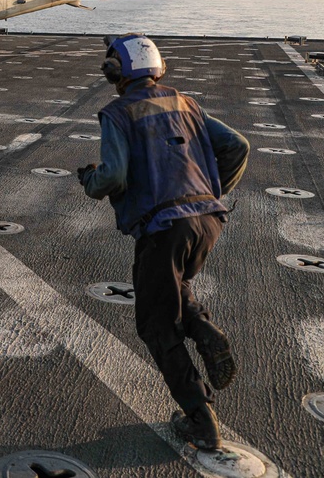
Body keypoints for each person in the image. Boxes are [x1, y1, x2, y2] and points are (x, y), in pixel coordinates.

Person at [77, 33, 250, 450]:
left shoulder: (118, 112)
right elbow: (237, 145)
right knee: (175, 289)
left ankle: (199, 418)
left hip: (164, 228)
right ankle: (202, 327)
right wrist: (211, 193)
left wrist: (90, 182)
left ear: (116, 71)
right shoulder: (185, 102)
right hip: (208, 221)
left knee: (156, 324)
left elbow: (114, 176)